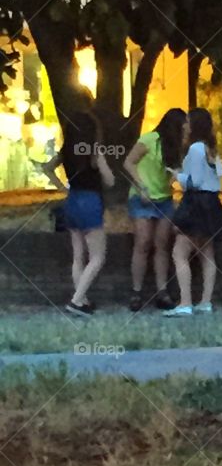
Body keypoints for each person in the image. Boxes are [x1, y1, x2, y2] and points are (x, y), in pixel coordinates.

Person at [165, 108, 222, 317]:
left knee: (179, 252)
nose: (185, 126)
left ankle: (185, 302)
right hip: (212, 203)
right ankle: (205, 301)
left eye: (188, 122)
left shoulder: (194, 149)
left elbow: (193, 181)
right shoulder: (212, 149)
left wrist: (177, 176)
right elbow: (217, 176)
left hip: (195, 202)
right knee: (207, 253)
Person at [123, 108, 187, 311]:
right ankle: (136, 291)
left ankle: (162, 292)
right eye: (184, 126)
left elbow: (175, 172)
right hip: (142, 198)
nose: (187, 130)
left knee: (162, 245)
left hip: (164, 199)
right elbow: (129, 162)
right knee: (142, 242)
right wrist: (142, 186)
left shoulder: (176, 146)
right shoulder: (150, 139)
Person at [59, 109, 115, 317]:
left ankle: (82, 300)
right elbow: (110, 180)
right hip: (90, 202)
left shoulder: (66, 151)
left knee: (78, 256)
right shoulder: (94, 151)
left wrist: (61, 187)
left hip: (72, 200)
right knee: (98, 256)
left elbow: (47, 168)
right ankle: (75, 301)